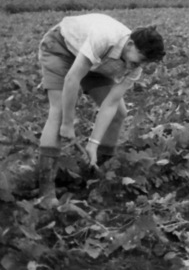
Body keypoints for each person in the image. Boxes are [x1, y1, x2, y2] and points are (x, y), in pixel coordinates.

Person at [36, 13, 165, 207]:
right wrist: (68, 124)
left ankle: (91, 173)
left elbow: (111, 103)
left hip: (97, 64)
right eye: (140, 60)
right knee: (59, 111)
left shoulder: (134, 65)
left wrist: (93, 143)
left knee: (120, 113)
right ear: (129, 44)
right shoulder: (104, 37)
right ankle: (46, 192)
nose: (139, 66)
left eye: (145, 63)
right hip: (61, 49)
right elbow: (72, 79)